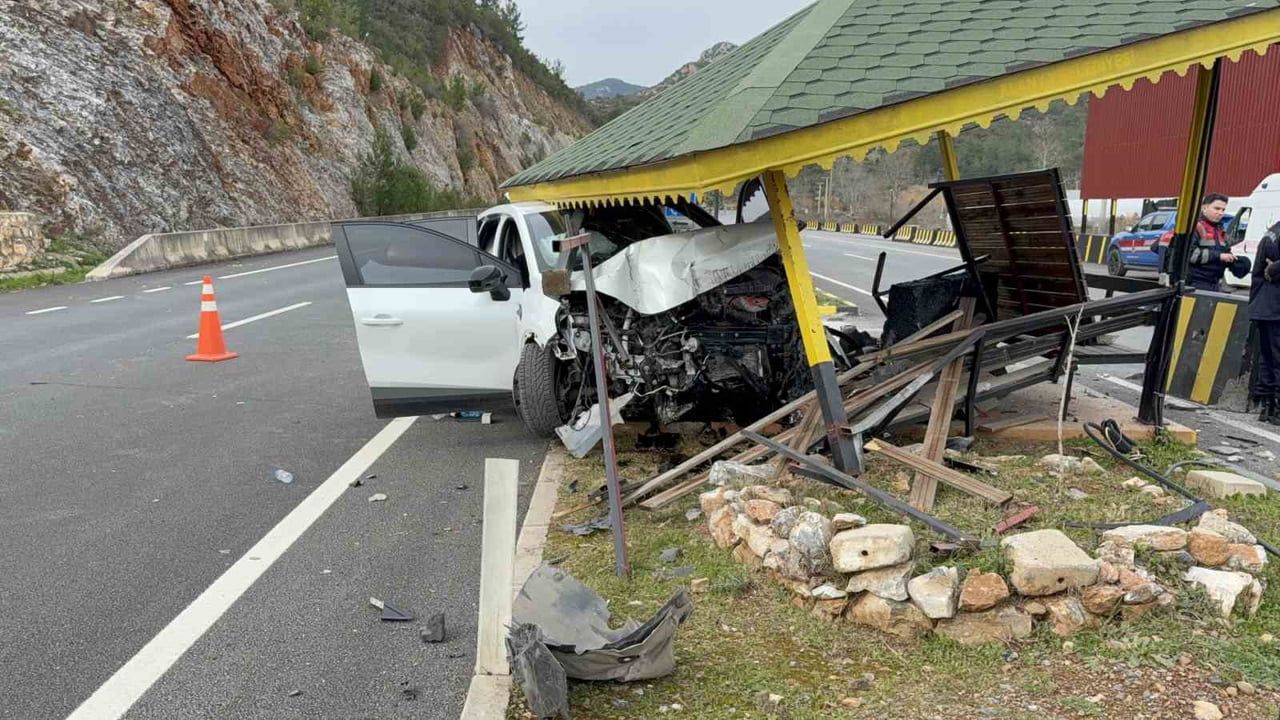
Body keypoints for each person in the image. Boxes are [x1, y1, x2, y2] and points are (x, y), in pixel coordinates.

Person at [1250, 219, 1280, 425]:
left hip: (1264, 305)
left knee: (1268, 357)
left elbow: (1259, 272)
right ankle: (1275, 409)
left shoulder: (1272, 232)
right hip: (1275, 305)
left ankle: (1267, 406)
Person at [1186, 193, 1234, 292]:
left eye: (1223, 210)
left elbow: (1225, 252)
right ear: (1204, 208)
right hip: (1195, 283)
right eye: (1217, 208)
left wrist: (1233, 260)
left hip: (1214, 283)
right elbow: (1189, 254)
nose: (1220, 213)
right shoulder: (1195, 227)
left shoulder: (1220, 231)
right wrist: (1219, 256)